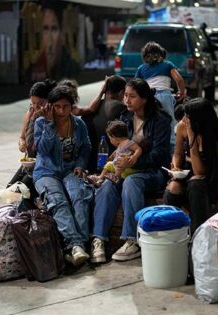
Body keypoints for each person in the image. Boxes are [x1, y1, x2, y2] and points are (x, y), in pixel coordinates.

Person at [90, 78, 171, 264]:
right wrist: (115, 164)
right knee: (107, 185)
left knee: (131, 182)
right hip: (126, 171)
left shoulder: (160, 120)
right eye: (125, 95)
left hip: (153, 172)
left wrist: (132, 164)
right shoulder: (125, 117)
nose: (126, 100)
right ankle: (98, 239)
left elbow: (159, 155)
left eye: (132, 96)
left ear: (144, 99)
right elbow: (118, 146)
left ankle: (132, 240)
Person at [33, 85, 93, 266]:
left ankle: (79, 245)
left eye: (65, 106)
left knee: (79, 196)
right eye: (57, 106)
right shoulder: (41, 123)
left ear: (72, 106)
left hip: (70, 169)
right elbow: (42, 150)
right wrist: (50, 124)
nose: (61, 111)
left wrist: (81, 165)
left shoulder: (78, 124)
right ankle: (75, 245)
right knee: (57, 200)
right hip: (46, 171)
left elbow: (86, 148)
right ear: (51, 106)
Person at [163, 98, 218, 231]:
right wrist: (176, 166)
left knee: (196, 183)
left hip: (211, 178)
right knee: (173, 188)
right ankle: (169, 230)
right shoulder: (182, 126)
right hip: (188, 175)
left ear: (199, 119)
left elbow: (200, 172)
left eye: (187, 116)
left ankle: (198, 233)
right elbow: (177, 153)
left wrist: (191, 139)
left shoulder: (217, 138)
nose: (184, 119)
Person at [7, 79, 57, 202]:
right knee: (9, 190)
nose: (35, 107)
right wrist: (22, 143)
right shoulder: (31, 112)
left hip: (42, 166)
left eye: (39, 104)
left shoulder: (54, 118)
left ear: (49, 102)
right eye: (33, 103)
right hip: (28, 162)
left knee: (21, 192)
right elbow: (22, 137)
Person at [135, 41, 186, 150]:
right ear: (161, 54)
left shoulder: (141, 68)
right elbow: (179, 79)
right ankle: (171, 149)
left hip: (148, 98)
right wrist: (181, 92)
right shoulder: (168, 65)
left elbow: (136, 85)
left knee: (150, 122)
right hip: (164, 96)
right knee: (169, 122)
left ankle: (152, 147)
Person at [72, 75, 127, 173]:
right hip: (112, 165)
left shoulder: (90, 109)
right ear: (122, 92)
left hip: (90, 164)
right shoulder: (121, 108)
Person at [30, 0, 79, 81]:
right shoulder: (35, 64)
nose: (50, 42)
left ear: (62, 35)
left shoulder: (71, 67)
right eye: (45, 29)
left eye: (54, 29)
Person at [88, 120, 142, 185]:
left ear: (113, 137)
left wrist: (134, 157)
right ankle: (100, 178)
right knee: (108, 165)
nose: (110, 141)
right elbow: (114, 154)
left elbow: (138, 149)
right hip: (118, 166)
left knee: (120, 166)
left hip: (127, 168)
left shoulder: (128, 142)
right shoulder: (119, 146)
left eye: (110, 138)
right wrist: (109, 159)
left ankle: (115, 177)